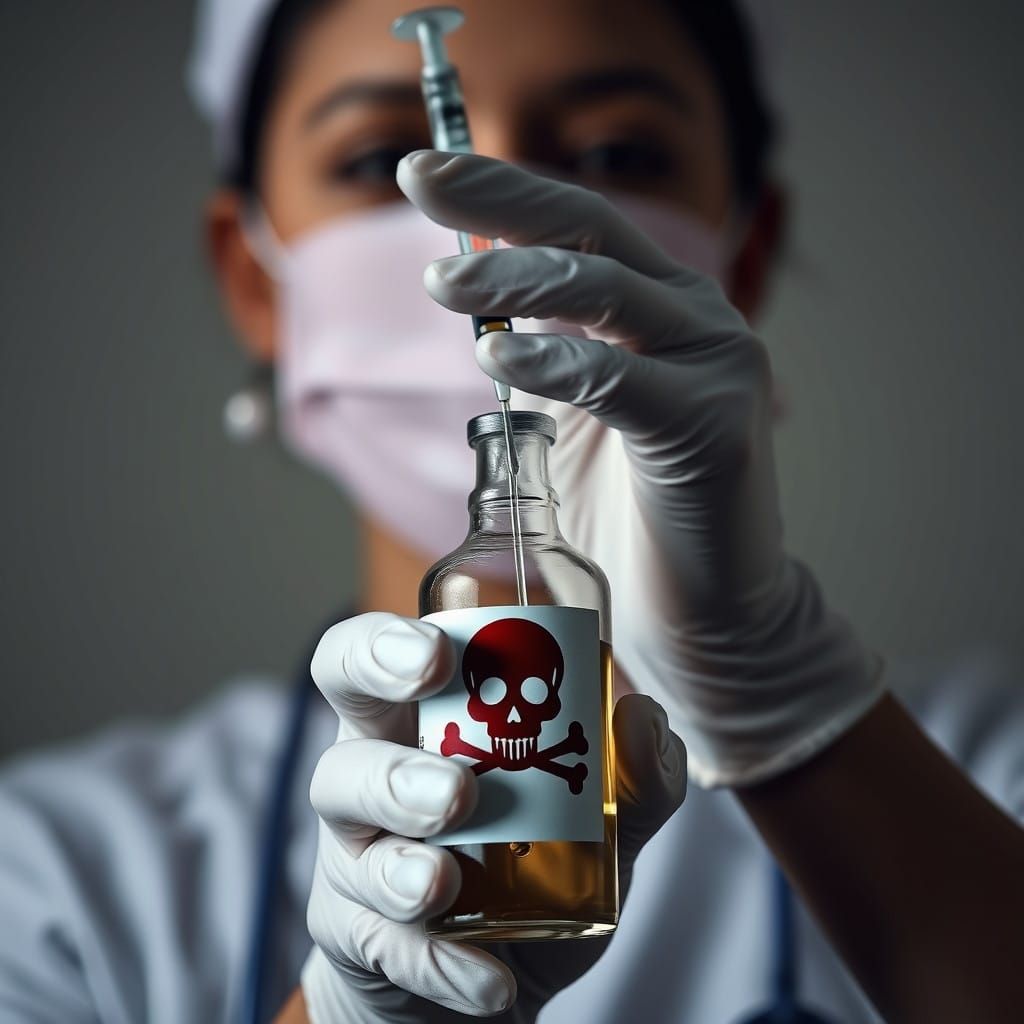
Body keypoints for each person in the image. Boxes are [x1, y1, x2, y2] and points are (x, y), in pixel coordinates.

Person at [1, 1, 1022, 1022]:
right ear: (253, 282)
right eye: (379, 160)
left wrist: (777, 693)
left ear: (742, 263)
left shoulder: (986, 770)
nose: (508, 224)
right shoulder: (58, 877)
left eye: (615, 152)